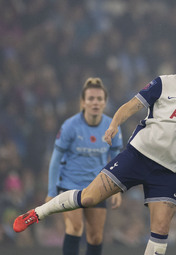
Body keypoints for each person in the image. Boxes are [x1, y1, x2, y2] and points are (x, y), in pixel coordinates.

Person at [13, 39, 176, 255]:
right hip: (139, 156)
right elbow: (131, 105)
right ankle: (37, 213)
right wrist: (113, 125)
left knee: (161, 230)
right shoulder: (163, 83)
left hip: (169, 170)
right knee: (89, 197)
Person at [45, 77, 123, 255]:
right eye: (91, 99)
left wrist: (117, 189)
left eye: (99, 99)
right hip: (69, 185)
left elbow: (117, 158)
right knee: (74, 227)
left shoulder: (112, 127)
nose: (95, 102)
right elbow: (56, 158)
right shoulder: (70, 126)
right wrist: (51, 192)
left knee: (95, 236)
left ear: (104, 102)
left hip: (97, 187)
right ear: (83, 102)